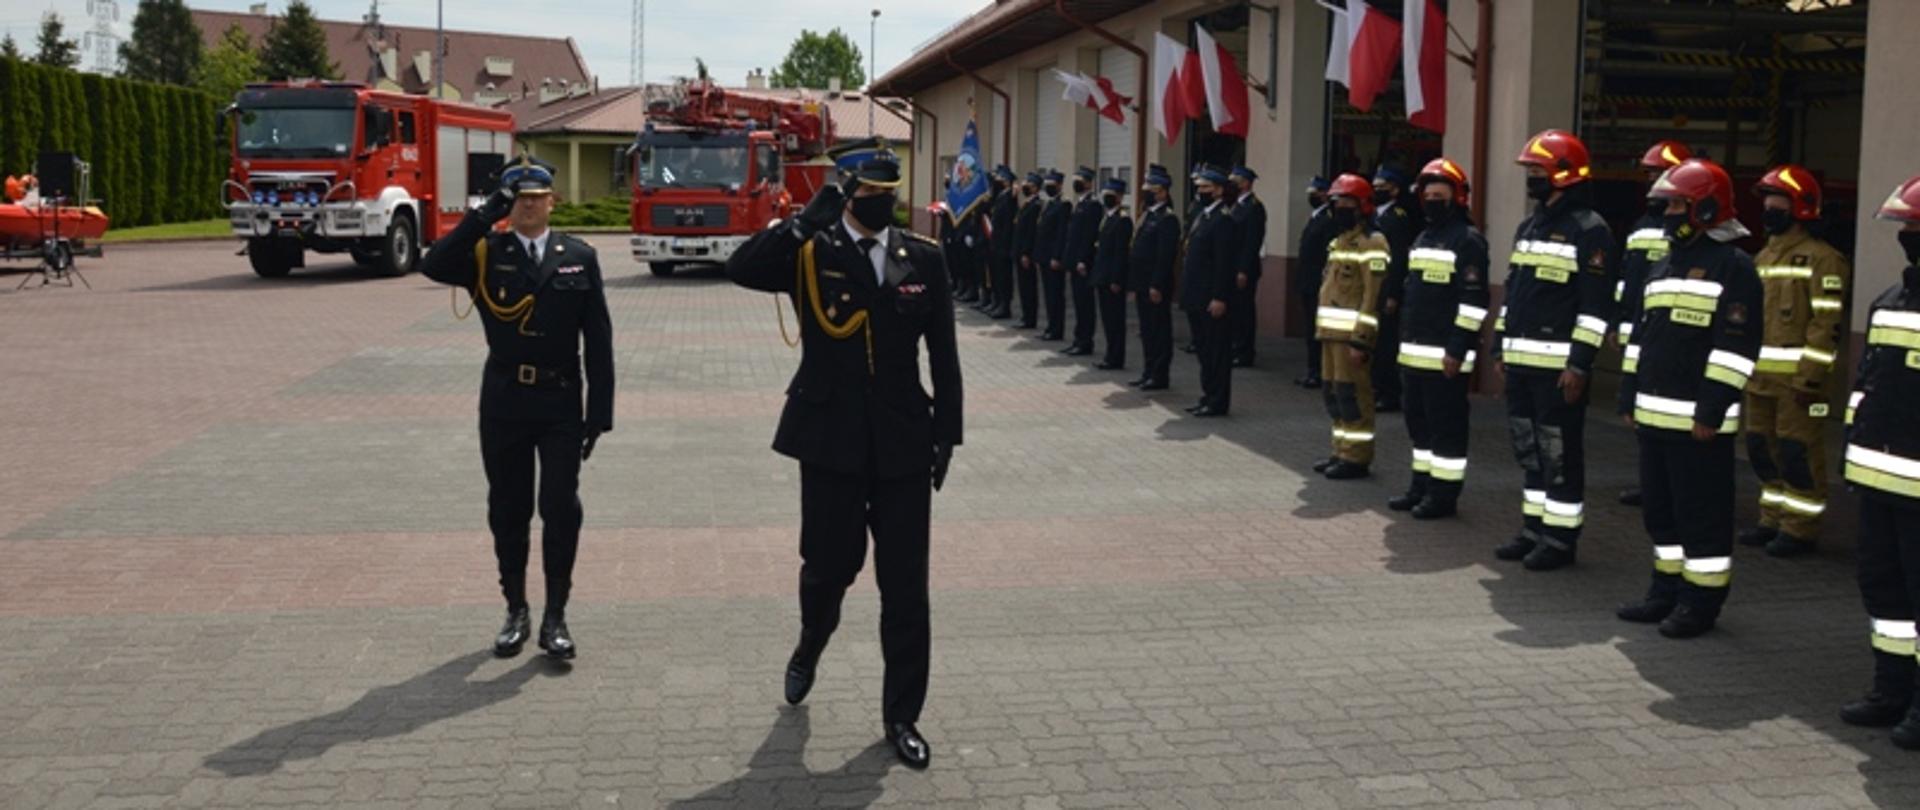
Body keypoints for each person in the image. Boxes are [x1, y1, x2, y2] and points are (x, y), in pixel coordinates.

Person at [724, 154, 962, 770]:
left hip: (904, 441)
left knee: (906, 586)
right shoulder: (811, 251)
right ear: (849, 193)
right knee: (829, 568)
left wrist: (948, 435)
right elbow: (740, 268)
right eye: (870, 192)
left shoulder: (924, 258)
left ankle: (902, 715)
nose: (882, 203)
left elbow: (944, 353)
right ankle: (810, 643)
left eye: (890, 193)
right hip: (829, 439)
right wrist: (801, 223)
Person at [420, 155, 614, 661]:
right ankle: (515, 609)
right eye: (519, 200)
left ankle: (556, 615)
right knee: (508, 508)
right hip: (505, 400)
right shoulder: (487, 252)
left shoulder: (579, 256)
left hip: (560, 401)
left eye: (536, 199)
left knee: (559, 506)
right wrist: (484, 216)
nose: (529, 208)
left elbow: (599, 341)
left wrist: (601, 412)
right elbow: (435, 263)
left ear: (552, 201)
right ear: (510, 205)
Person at [1613, 158, 1761, 639]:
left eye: (1678, 204)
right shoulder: (1663, 264)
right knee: (1661, 512)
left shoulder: (1734, 267)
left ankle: (1701, 603)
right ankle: (1665, 591)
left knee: (1702, 517)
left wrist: (1712, 409)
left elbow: (1736, 348)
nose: (1669, 212)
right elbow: (1641, 339)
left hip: (1698, 424)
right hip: (1655, 416)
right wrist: (1629, 395)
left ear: (1706, 208)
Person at [1490, 129, 1616, 572]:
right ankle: (1533, 529)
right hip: (1522, 364)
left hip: (1557, 369)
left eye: (1537, 170)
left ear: (1564, 173)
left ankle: (1560, 540)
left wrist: (1579, 364)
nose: (1531, 178)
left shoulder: (1590, 230)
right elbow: (1514, 293)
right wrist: (1499, 347)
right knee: (1530, 450)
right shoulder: (1530, 225)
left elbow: (1596, 309)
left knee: (1558, 451)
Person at [1836, 174, 1920, 746]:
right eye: (1905, 227)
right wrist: (1851, 454)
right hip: (1878, 482)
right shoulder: (1889, 303)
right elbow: (1864, 390)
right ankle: (1892, 690)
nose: (1907, 236)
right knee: (1885, 594)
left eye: (1913, 226)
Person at [1740, 165, 1851, 558]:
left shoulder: (1823, 260)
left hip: (1799, 385)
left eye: (1777, 200)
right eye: (1767, 200)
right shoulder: (1762, 258)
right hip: (1760, 379)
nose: (1769, 208)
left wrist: (1810, 378)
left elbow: (1826, 324)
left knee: (1797, 452)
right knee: (1761, 449)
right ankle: (1772, 517)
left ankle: (1800, 527)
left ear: (1800, 206)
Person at [1389, 158, 1489, 518]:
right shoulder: (1423, 236)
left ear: (1457, 197)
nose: (1432, 200)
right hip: (1414, 353)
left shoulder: (1468, 240)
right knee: (1418, 427)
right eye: (1428, 194)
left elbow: (1474, 302)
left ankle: (1443, 496)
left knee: (1445, 429)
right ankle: (1420, 486)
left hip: (1445, 356)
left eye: (1440, 195)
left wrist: (1458, 348)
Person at [1615, 139, 1692, 508]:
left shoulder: (1684, 230)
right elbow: (1627, 278)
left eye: (1656, 174)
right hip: (1637, 331)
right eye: (1647, 175)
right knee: (1641, 416)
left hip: (1667, 334)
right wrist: (1619, 320)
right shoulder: (1642, 225)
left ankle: (1670, 489)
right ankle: (1650, 485)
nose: (1651, 183)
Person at [1311, 174, 1391, 478]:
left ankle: (1357, 458)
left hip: (1350, 339)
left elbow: (1372, 297)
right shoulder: (1339, 241)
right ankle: (1340, 451)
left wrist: (1361, 340)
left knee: (1354, 396)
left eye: (1346, 202)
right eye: (1336, 202)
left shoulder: (1373, 243)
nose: (1340, 208)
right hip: (1330, 336)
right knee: (1333, 394)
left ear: (1362, 206)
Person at [1182, 166, 1240, 418]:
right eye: (1199, 188)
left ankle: (1218, 401)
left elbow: (1223, 264)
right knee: (1205, 351)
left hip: (1211, 298)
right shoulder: (1203, 216)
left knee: (1217, 352)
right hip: (1197, 296)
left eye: (1206, 188)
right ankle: (1207, 395)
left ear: (1218, 190)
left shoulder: (1224, 220)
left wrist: (1219, 297)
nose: (1201, 192)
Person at [1127, 165, 1180, 391]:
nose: (1147, 193)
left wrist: (1157, 284)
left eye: (1152, 190)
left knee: (1159, 330)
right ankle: (1148, 371)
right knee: (1147, 330)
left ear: (1163, 192)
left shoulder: (1167, 219)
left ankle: (1159, 375)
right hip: (1142, 282)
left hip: (1155, 285)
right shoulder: (1148, 215)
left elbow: (1164, 256)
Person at [1371, 165, 1418, 412]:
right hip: (1373, 286)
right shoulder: (1374, 216)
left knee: (1387, 344)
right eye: (1375, 187)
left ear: (1395, 190)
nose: (1377, 191)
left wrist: (1392, 294)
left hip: (1387, 287)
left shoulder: (1398, 218)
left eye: (1383, 188)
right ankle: (1377, 387)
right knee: (1374, 342)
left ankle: (1389, 393)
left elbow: (1399, 259)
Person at [1295, 177, 1336, 389]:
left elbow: (1327, 254)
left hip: (1318, 283)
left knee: (1317, 331)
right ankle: (1313, 369)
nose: (1313, 196)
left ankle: (1319, 371)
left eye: (1317, 192)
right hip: (1308, 281)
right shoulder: (1316, 217)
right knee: (1310, 330)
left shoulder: (1328, 219)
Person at [1091, 176, 1134, 371]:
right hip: (1102, 275)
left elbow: (1120, 253)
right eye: (1105, 194)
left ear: (1119, 197)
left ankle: (1116, 357)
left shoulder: (1123, 220)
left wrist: (1117, 279)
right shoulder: (1107, 217)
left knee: (1115, 320)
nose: (1107, 197)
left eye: (1111, 195)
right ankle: (1110, 354)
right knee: (1107, 319)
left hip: (1112, 278)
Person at [1226, 166, 1267, 368]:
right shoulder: (1235, 206)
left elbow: (1252, 242)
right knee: (1234, 310)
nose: (1232, 184)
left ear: (1246, 183)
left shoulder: (1254, 207)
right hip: (1232, 266)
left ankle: (1245, 351)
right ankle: (1235, 346)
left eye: (1236, 180)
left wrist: (1243, 269)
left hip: (1245, 269)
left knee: (1244, 311)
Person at [1062, 166, 1104, 356]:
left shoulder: (1093, 205)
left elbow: (1089, 236)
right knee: (1078, 303)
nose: (1077, 183)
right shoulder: (1080, 203)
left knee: (1085, 304)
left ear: (1089, 182)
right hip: (1074, 261)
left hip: (1083, 264)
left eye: (1080, 179)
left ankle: (1086, 341)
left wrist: (1082, 260)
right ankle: (1078, 338)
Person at [1036, 170, 1072, 341]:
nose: (1048, 187)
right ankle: (1050, 326)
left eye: (1052, 184)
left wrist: (1057, 257)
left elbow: (1061, 234)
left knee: (1056, 295)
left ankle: (1057, 329)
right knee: (1049, 295)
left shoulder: (1064, 205)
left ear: (1059, 185)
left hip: (1053, 257)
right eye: (1047, 184)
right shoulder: (1048, 204)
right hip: (1044, 256)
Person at [986, 165, 1019, 319]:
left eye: (1000, 179)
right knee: (997, 276)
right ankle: (998, 302)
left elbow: (1007, 224)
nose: (996, 182)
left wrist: (1005, 245)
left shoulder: (1010, 198)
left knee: (1004, 277)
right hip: (996, 242)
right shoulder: (1000, 196)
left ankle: (1004, 306)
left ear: (1007, 182)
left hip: (1003, 245)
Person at [1013, 171, 1044, 328]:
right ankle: (1026, 316)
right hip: (1020, 251)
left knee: (1029, 287)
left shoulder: (1036, 206)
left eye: (1029, 185)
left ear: (1036, 188)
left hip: (1027, 253)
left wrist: (1026, 253)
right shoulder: (1026, 204)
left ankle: (1030, 318)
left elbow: (1031, 233)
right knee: (1023, 287)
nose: (1025, 187)